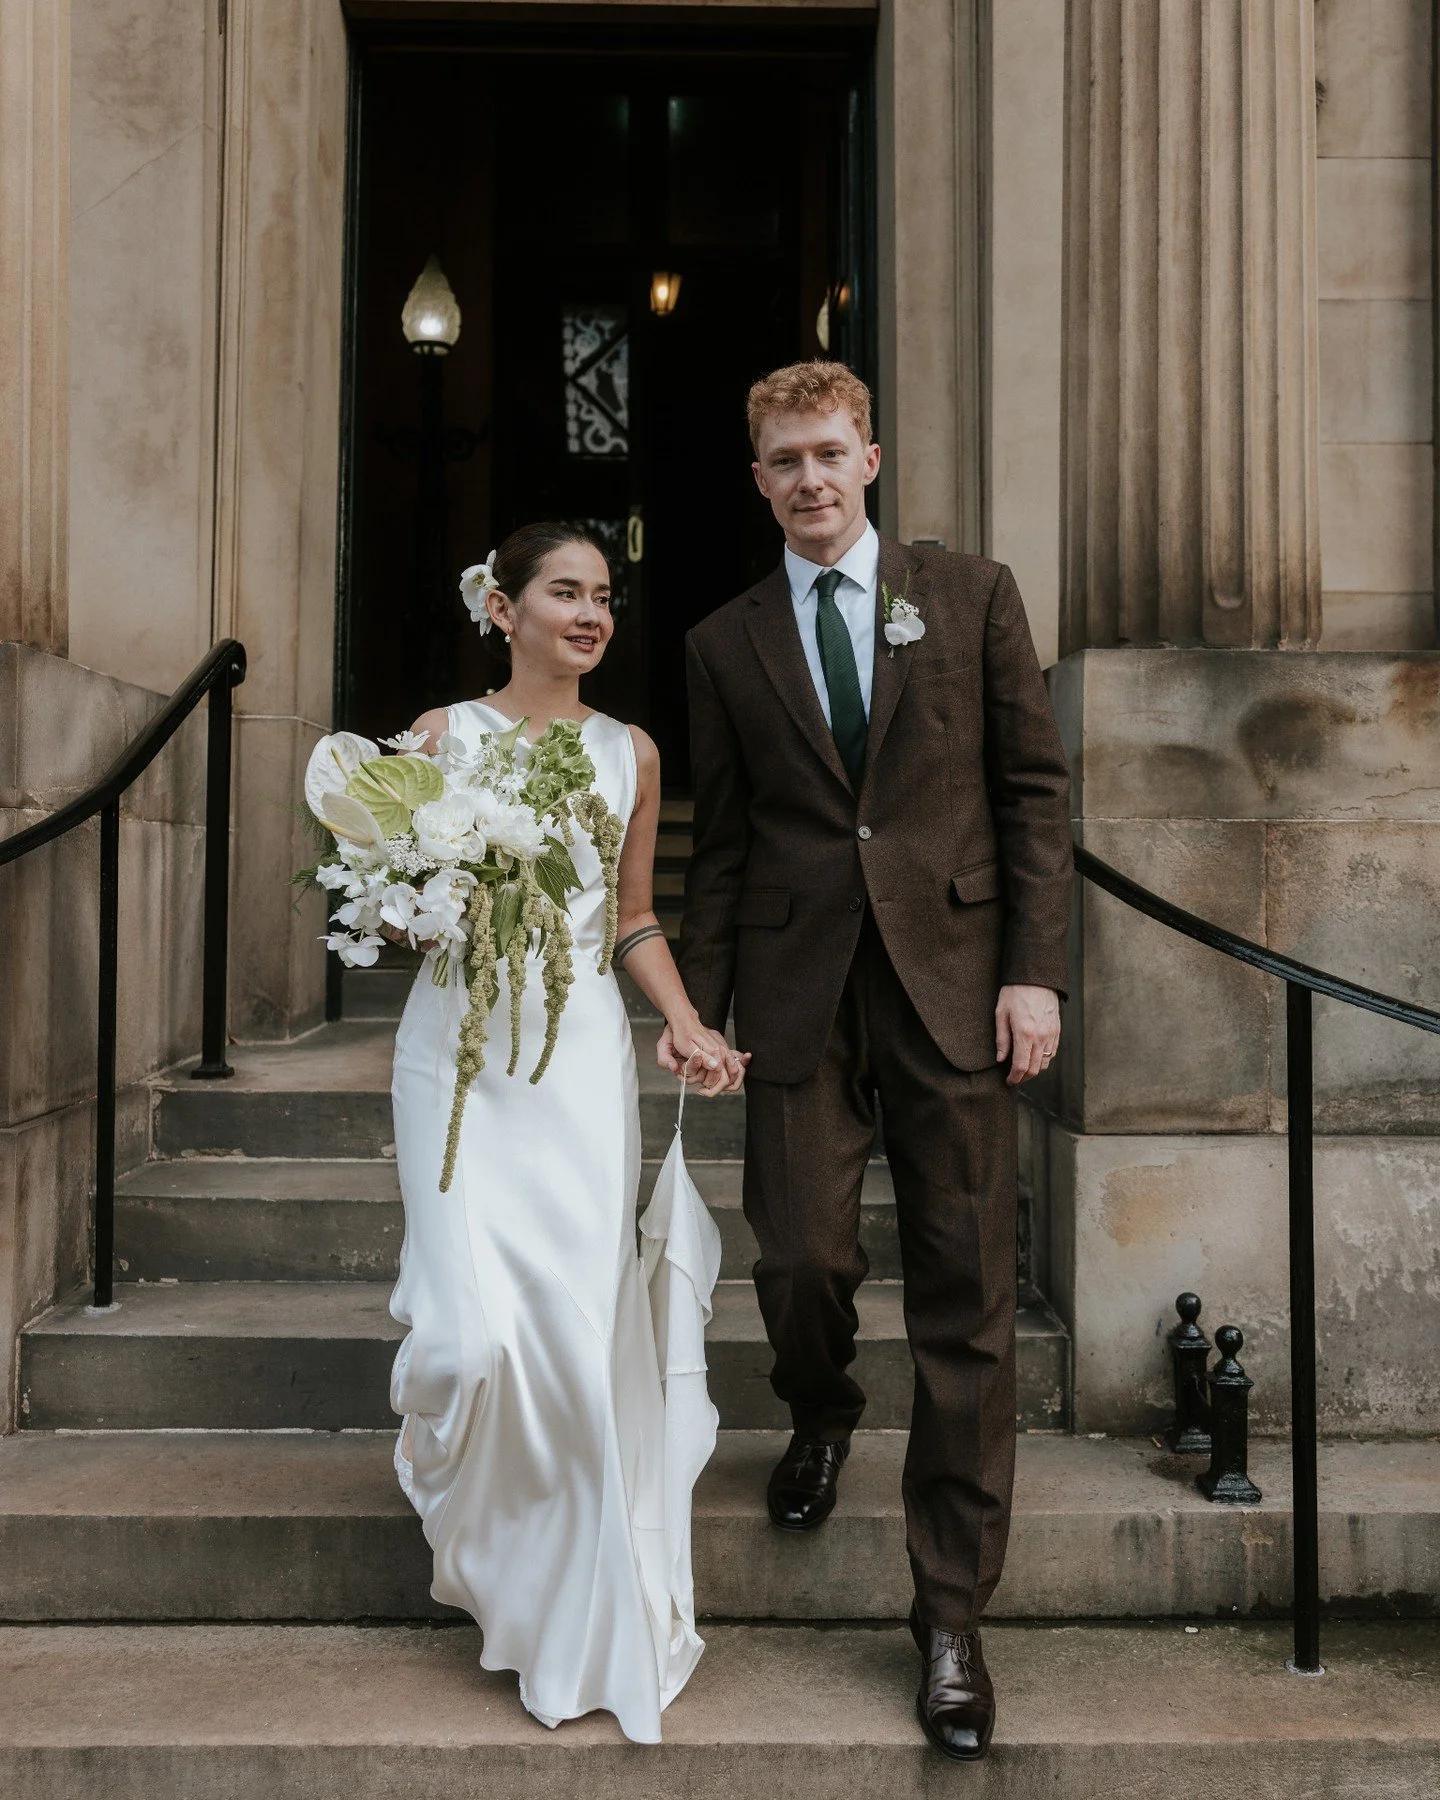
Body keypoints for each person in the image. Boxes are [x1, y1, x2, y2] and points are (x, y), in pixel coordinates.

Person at [669, 362, 1072, 1761]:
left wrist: (1036, 971)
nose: (810, 480)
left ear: (874, 458)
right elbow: (720, 849)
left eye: (830, 454)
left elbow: (1032, 793)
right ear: (759, 477)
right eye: (784, 460)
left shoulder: (971, 599)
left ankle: (951, 1618)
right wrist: (696, 1008)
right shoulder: (722, 645)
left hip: (956, 986)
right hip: (796, 991)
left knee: (965, 1300)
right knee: (797, 1259)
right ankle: (821, 1405)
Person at [388, 521, 747, 1744]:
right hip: (461, 1061)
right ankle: (490, 1542)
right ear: (502, 604)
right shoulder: (439, 738)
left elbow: (632, 917)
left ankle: (578, 1618)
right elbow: (393, 908)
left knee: (579, 1340)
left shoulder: (630, 752)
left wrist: (685, 1023)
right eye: (564, 592)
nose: (590, 614)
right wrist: (411, 891)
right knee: (473, 1340)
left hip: (581, 1059)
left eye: (604, 597)